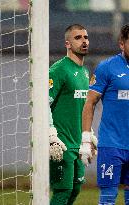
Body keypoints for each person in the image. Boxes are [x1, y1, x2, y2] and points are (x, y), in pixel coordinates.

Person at [49, 24, 97, 205]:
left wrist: (89, 134)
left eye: (85, 37)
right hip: (62, 145)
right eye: (78, 38)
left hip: (78, 144)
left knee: (75, 189)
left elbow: (83, 107)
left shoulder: (85, 73)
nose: (84, 41)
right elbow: (43, 103)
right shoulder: (58, 70)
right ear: (67, 44)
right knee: (63, 191)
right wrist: (50, 135)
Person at [82, 24, 129, 205]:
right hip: (112, 145)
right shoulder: (107, 68)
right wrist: (86, 139)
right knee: (108, 198)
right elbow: (90, 102)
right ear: (121, 44)